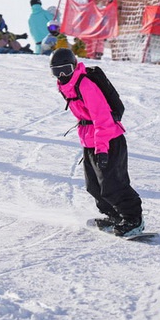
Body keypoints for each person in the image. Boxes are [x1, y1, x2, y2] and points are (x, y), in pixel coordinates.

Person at [50, 48, 144, 237]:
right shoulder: (67, 86)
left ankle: (133, 219)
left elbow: (103, 119)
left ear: (75, 66)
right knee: (93, 185)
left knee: (113, 183)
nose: (62, 75)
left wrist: (102, 149)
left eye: (66, 70)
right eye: (56, 71)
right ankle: (115, 216)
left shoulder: (85, 85)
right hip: (91, 141)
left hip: (108, 139)